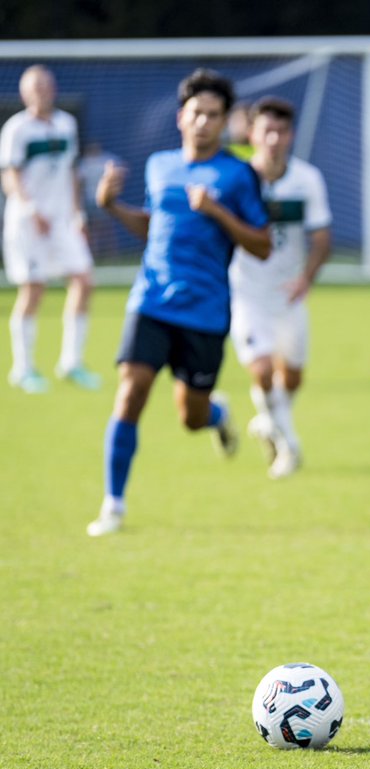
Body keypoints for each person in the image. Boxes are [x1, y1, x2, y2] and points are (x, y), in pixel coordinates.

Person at [86, 69, 271, 537]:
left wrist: (216, 211)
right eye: (196, 113)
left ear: (226, 121)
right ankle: (113, 504)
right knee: (130, 392)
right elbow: (155, 227)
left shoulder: (238, 175)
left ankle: (218, 415)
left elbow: (263, 244)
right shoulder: (159, 165)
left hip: (205, 312)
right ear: (180, 117)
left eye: (214, 115)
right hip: (150, 301)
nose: (204, 122)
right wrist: (112, 206)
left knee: (191, 417)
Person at [229, 96, 332, 479]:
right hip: (247, 292)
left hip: (289, 294)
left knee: (292, 378)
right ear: (252, 133)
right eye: (266, 130)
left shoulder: (307, 180)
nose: (273, 138)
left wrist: (306, 278)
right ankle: (289, 446)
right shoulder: (237, 178)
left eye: (281, 131)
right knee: (261, 371)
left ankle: (268, 421)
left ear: (290, 135)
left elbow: (322, 238)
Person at [0, 64, 101, 393]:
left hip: (63, 221)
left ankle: (71, 362)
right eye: (36, 87)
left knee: (84, 281)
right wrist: (31, 209)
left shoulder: (66, 124)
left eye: (47, 85)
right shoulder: (16, 130)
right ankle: (23, 368)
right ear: (25, 93)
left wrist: (78, 214)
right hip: (28, 222)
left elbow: (72, 172)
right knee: (34, 290)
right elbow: (10, 175)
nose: (42, 91)